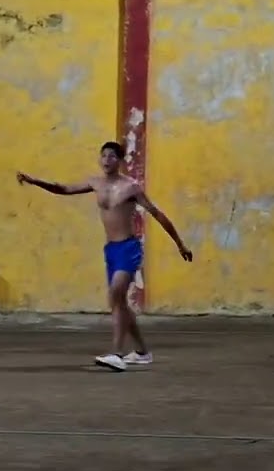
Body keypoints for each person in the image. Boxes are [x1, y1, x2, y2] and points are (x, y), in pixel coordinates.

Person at [17, 140, 193, 372]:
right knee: (120, 302)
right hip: (111, 250)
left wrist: (180, 244)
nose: (107, 160)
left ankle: (117, 353)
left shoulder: (131, 187)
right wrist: (33, 180)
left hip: (129, 248)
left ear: (120, 161)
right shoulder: (95, 183)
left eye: (112, 156)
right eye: (104, 156)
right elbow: (63, 189)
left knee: (115, 295)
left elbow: (157, 214)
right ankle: (142, 352)